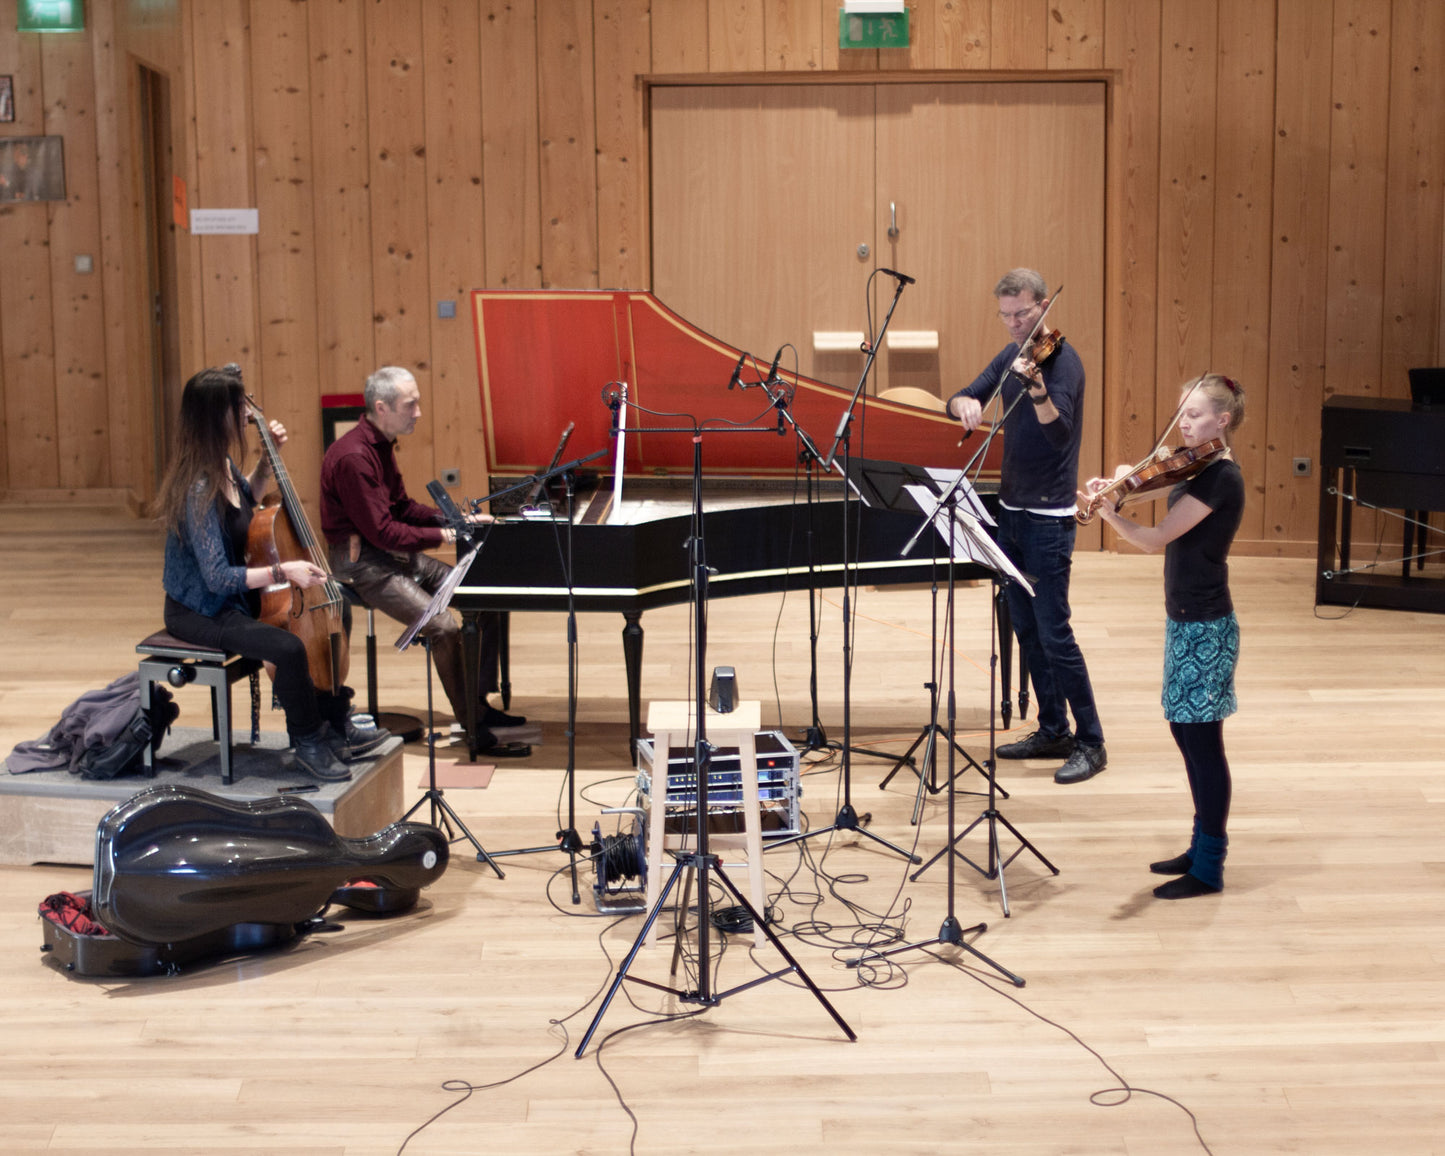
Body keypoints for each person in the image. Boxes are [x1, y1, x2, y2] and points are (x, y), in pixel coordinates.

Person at [156, 366, 388, 783]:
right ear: (216, 415)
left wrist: (267, 464)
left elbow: (246, 507)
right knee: (287, 646)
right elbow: (217, 580)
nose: (245, 413)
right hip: (202, 609)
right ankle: (308, 741)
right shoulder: (197, 487)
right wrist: (284, 570)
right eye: (236, 405)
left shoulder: (223, 464)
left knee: (335, 608)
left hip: (233, 597)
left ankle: (335, 721)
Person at [1078, 374, 1246, 899]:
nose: (1183, 423)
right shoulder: (1197, 467)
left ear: (1222, 421)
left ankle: (1210, 866)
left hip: (1207, 627)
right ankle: (1199, 845)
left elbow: (1155, 539)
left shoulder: (1222, 480)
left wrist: (1112, 515)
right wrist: (1126, 480)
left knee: (1202, 743)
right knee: (1184, 733)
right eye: (1181, 413)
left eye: (1193, 415)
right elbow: (1160, 484)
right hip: (1185, 620)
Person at [947, 268, 1106, 784]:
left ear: (1043, 307)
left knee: (1055, 633)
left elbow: (1059, 434)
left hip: (1048, 518)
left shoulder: (1063, 363)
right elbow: (966, 393)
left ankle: (1091, 741)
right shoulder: (1010, 357)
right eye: (1006, 315)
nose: (1015, 324)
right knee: (1027, 628)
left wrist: (1036, 389)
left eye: (1023, 313)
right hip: (1010, 512)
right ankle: (1053, 728)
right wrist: (963, 403)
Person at [320, 366, 529, 758]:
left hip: (390, 554)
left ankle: (478, 704)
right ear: (381, 407)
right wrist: (445, 536)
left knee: (484, 597)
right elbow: (383, 532)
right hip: (362, 564)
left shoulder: (381, 445)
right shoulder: (353, 458)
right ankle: (472, 728)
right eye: (410, 405)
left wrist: (455, 520)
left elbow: (401, 507)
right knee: (444, 627)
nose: (418, 412)